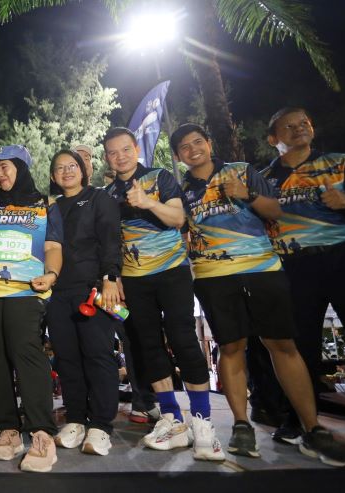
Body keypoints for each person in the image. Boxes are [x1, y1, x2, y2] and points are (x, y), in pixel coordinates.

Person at [173, 122, 345, 467]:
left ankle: (312, 428)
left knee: (283, 345)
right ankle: (241, 426)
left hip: (263, 269)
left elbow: (275, 211)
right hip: (213, 276)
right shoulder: (180, 189)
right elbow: (178, 230)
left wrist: (247, 194)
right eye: (184, 146)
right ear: (178, 156)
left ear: (209, 143)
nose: (193, 149)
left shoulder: (243, 171)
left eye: (198, 141)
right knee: (231, 348)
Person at [103, 127, 224, 461]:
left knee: (183, 339)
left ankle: (202, 423)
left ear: (136, 149)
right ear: (107, 158)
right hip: (134, 279)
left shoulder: (160, 177)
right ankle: (171, 418)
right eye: (113, 152)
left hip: (172, 272)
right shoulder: (107, 194)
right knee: (148, 345)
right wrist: (113, 277)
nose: (120, 157)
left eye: (125, 149)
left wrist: (147, 202)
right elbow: (110, 241)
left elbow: (178, 218)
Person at [261, 107, 345, 439]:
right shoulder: (263, 179)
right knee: (297, 345)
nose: (299, 129)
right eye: (288, 127)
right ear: (273, 139)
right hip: (293, 266)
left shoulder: (342, 163)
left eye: (304, 123)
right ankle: (300, 419)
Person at [0, 144, 63, 473]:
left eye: (6, 166)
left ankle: (42, 433)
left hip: (25, 289)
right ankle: (7, 429)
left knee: (26, 351)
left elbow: (53, 246)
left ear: (22, 167)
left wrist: (51, 273)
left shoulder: (45, 203)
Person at [45, 149, 121, 456]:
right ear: (53, 176)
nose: (66, 171)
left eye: (72, 166)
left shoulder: (99, 198)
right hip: (57, 293)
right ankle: (76, 419)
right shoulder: (49, 207)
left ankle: (101, 425)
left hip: (94, 289)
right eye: (59, 168)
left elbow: (111, 239)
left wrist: (110, 277)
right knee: (66, 358)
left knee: (98, 355)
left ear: (82, 169)